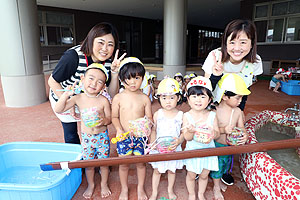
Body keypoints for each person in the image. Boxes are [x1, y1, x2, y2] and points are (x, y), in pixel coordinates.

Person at [202, 19, 263, 185]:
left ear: (251, 43)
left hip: (235, 102)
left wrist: (239, 110)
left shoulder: (255, 61)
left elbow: (247, 86)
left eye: (243, 42)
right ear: (225, 42)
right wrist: (215, 74)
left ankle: (224, 169)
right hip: (212, 103)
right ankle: (203, 166)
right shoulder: (215, 56)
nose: (237, 48)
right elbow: (205, 90)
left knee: (231, 134)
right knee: (209, 135)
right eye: (232, 41)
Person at [48, 22, 126, 144]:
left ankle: (93, 152)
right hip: (63, 96)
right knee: (71, 133)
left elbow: (111, 94)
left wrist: (115, 73)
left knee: (93, 127)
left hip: (88, 98)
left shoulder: (110, 62)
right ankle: (77, 161)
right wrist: (70, 103)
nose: (105, 49)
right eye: (101, 42)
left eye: (110, 44)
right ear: (91, 40)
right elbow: (52, 81)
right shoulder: (73, 56)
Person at [54, 63, 112, 199]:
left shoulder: (103, 100)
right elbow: (58, 109)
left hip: (102, 136)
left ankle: (104, 184)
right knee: (89, 164)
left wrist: (103, 121)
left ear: (103, 86)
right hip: (87, 138)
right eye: (91, 79)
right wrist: (66, 95)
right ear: (82, 79)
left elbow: (109, 118)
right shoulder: (78, 98)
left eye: (99, 82)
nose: (94, 84)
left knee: (104, 163)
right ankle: (91, 185)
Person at [111, 57, 153, 200]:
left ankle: (140, 188)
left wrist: (147, 124)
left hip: (140, 136)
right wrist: (118, 129)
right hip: (124, 136)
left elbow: (150, 118)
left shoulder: (145, 98)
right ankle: (124, 189)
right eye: (128, 78)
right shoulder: (118, 98)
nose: (133, 82)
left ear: (142, 78)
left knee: (141, 164)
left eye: (137, 78)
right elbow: (114, 117)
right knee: (123, 164)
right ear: (122, 79)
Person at [210, 74, 250, 200]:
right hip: (217, 145)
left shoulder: (238, 112)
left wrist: (245, 134)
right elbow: (211, 130)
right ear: (225, 96)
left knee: (226, 165)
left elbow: (242, 127)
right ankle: (216, 186)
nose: (240, 101)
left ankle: (220, 179)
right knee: (217, 165)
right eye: (238, 98)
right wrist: (223, 130)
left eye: (241, 98)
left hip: (230, 146)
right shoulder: (215, 110)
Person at [182, 76, 220, 200]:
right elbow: (187, 138)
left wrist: (213, 133)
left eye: (203, 96)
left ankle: (201, 194)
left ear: (209, 100)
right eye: (194, 96)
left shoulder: (212, 115)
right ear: (188, 99)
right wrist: (190, 131)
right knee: (191, 175)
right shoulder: (187, 116)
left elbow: (218, 134)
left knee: (204, 175)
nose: (198, 100)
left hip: (208, 151)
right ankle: (192, 194)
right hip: (193, 151)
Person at [149, 78, 184, 200]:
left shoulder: (181, 115)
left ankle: (170, 190)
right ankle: (154, 192)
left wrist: (179, 141)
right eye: (164, 98)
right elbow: (154, 130)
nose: (167, 101)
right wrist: (152, 143)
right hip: (159, 148)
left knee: (172, 171)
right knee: (157, 171)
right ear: (159, 98)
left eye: (171, 97)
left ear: (178, 98)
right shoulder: (158, 114)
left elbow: (183, 132)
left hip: (173, 147)